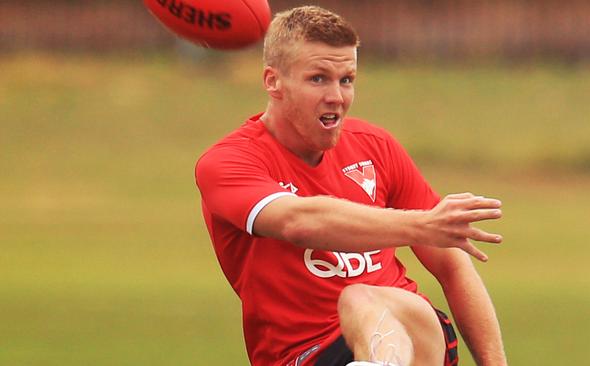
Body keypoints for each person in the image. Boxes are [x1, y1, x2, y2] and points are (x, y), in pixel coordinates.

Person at [195, 5, 507, 366]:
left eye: (346, 79)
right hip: (302, 356)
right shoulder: (228, 163)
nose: (337, 96)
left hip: (411, 335)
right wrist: (424, 225)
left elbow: (452, 267)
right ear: (272, 81)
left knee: (361, 298)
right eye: (318, 79)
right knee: (358, 299)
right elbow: (298, 222)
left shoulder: (375, 146)